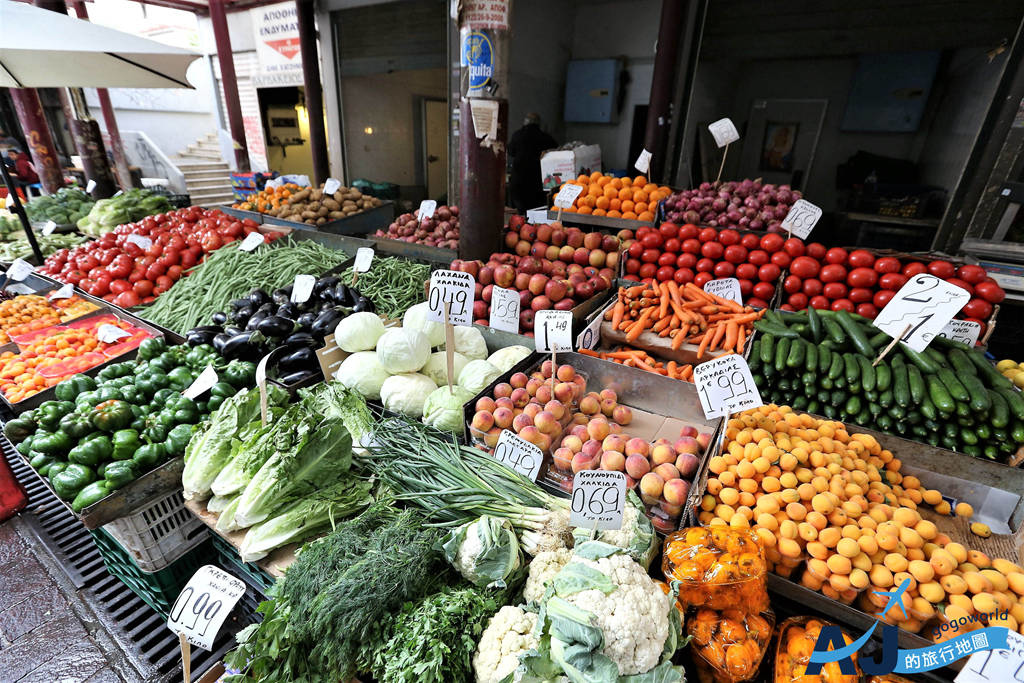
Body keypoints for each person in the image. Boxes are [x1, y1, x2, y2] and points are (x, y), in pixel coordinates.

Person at [508, 113, 556, 213]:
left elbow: (510, 151)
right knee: (536, 211)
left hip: (519, 181)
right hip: (537, 181)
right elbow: (555, 149)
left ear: (525, 122)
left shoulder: (517, 135)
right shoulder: (545, 137)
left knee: (520, 211)